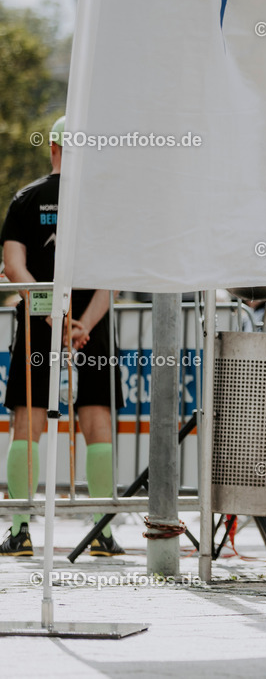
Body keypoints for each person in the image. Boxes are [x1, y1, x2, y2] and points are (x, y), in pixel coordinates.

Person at [0, 117, 126, 557]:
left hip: (38, 323)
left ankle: (19, 530)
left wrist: (51, 315)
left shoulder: (26, 199)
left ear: (51, 148)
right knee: (96, 422)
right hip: (92, 327)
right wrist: (83, 325)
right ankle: (102, 533)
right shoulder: (105, 205)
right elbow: (112, 276)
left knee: (28, 422)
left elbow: (14, 268)